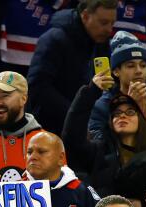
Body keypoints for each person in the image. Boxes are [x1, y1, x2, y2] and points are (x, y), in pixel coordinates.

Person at [63, 92, 146, 204]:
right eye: (116, 114)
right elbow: (71, 138)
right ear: (111, 122)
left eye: (130, 112)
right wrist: (89, 92)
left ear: (141, 120)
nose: (122, 116)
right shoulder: (98, 152)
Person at [27, 0, 117, 134]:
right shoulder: (54, 40)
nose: (109, 30)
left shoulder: (99, 42)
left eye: (112, 23)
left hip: (83, 126)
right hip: (49, 129)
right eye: (103, 23)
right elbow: (38, 86)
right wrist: (74, 113)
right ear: (85, 16)